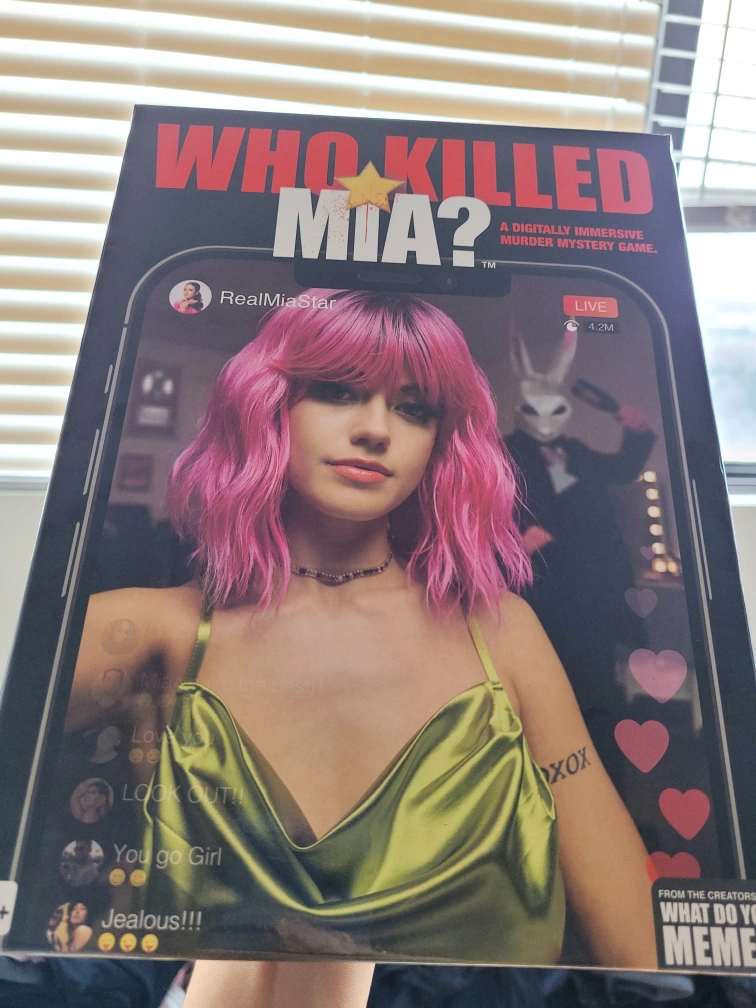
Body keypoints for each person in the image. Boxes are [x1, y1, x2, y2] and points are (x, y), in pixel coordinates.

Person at [65, 291, 655, 1006]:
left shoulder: (503, 633)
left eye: (414, 408)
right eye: (338, 391)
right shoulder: (154, 629)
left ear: (441, 440)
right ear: (269, 406)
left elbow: (644, 954)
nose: (376, 429)